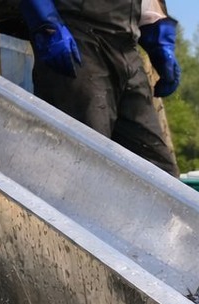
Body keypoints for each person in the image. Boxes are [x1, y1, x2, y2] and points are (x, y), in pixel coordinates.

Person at [19, 0, 180, 175]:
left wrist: (160, 41)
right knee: (86, 160)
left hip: (126, 45)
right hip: (77, 40)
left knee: (161, 172)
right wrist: (46, 23)